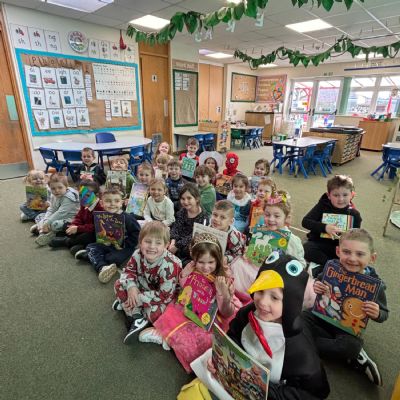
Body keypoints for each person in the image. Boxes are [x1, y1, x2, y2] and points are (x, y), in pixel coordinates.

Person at [191, 253, 330, 400]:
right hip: (239, 376)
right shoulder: (248, 312)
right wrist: (221, 359)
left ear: (290, 302)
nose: (263, 302)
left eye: (274, 297)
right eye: (261, 291)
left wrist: (267, 391)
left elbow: (315, 393)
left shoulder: (299, 348)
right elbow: (233, 336)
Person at [302, 228, 389, 386]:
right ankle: (320, 346)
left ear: (372, 258)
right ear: (338, 251)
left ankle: (306, 343)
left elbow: (384, 313)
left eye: (360, 254)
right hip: (321, 315)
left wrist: (377, 313)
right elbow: (320, 281)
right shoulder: (332, 266)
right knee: (299, 319)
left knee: (351, 347)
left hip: (347, 328)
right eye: (346, 252)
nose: (352, 258)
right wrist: (318, 286)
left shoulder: (376, 285)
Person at [140, 233, 235, 372]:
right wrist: (185, 274)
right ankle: (164, 335)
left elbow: (226, 312)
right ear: (194, 259)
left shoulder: (225, 278)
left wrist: (223, 293)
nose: (206, 267)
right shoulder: (192, 267)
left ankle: (169, 338)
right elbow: (186, 287)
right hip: (189, 304)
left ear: (218, 260)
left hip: (212, 316)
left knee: (202, 338)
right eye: (201, 262)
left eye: (211, 262)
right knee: (172, 313)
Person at [113, 221, 182, 344]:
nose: (152, 246)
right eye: (148, 241)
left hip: (162, 298)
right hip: (144, 286)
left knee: (158, 313)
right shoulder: (137, 254)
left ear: (166, 245)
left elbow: (165, 296)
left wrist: (138, 298)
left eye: (158, 243)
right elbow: (129, 271)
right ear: (140, 242)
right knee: (118, 284)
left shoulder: (171, 265)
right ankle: (137, 315)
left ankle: (130, 309)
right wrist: (131, 287)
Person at [302, 175, 362, 276]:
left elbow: (356, 238)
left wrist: (348, 236)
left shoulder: (354, 214)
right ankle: (333, 266)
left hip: (339, 248)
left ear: (351, 195)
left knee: (355, 257)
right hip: (319, 243)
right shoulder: (322, 206)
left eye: (345, 195)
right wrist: (325, 227)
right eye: (336, 195)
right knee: (306, 248)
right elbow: (305, 221)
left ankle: (328, 267)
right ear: (329, 195)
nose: (341, 199)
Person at [85, 188, 141, 283]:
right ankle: (102, 267)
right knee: (90, 247)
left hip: (124, 247)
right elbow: (98, 231)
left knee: (112, 258)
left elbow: (137, 233)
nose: (112, 204)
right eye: (108, 201)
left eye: (116, 201)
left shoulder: (127, 218)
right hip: (106, 243)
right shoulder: (100, 216)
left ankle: (94, 258)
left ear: (121, 203)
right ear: (102, 203)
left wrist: (126, 244)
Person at [48, 179, 104, 256]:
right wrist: (74, 225)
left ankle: (67, 241)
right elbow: (79, 217)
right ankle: (77, 243)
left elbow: (96, 227)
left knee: (87, 237)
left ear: (97, 195)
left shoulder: (100, 208)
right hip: (83, 228)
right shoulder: (85, 203)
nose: (83, 198)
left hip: (93, 232)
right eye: (80, 195)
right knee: (66, 226)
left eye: (87, 195)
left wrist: (78, 228)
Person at [32, 173, 79, 246]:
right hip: (57, 215)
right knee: (40, 216)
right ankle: (43, 230)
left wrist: (47, 223)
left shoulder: (69, 198)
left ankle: (49, 234)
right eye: (53, 188)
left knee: (55, 225)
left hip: (70, 218)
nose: (56, 190)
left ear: (66, 187)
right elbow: (51, 209)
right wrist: (46, 221)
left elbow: (61, 213)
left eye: (60, 187)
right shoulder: (53, 195)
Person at [263, 190, 306, 267]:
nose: (271, 219)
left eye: (276, 216)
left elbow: (301, 265)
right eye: (267, 215)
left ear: (286, 218)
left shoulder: (292, 241)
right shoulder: (262, 231)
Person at [169, 183, 209, 264]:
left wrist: (177, 246)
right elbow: (176, 227)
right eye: (183, 199)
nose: (185, 202)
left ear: (197, 199)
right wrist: (173, 242)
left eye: (189, 198)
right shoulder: (183, 211)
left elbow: (194, 236)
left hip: (189, 245)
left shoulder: (203, 217)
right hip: (177, 241)